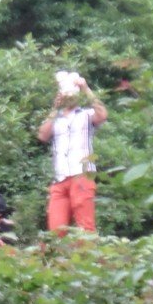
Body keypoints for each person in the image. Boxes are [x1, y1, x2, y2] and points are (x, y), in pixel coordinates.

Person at [36, 70, 107, 235]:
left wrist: (86, 89)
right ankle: (58, 252)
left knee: (85, 227)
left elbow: (102, 115)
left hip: (81, 174)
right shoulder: (56, 118)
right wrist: (55, 108)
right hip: (60, 178)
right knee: (56, 231)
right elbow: (42, 135)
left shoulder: (86, 114)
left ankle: (88, 252)